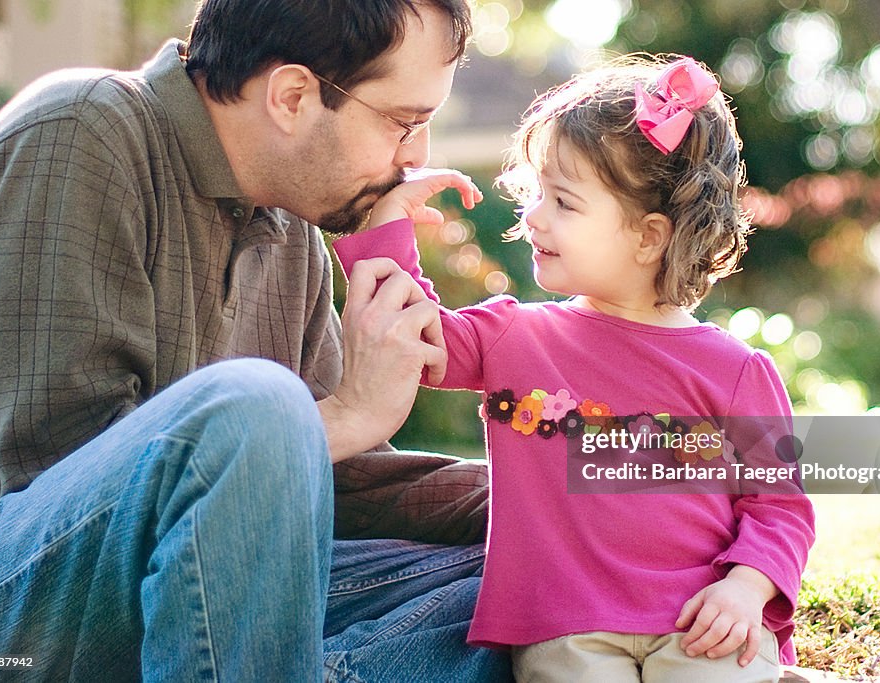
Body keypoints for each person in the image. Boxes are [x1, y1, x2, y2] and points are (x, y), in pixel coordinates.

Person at [0, 0, 513, 680]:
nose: (418, 156)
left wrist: (556, 491)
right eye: (404, 122)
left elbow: (332, 481)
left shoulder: (292, 231)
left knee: (520, 577)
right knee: (256, 405)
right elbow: (65, 475)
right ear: (293, 96)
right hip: (1, 618)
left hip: (198, 592)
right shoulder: (80, 130)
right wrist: (343, 414)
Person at [333, 55, 816, 682]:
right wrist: (387, 225)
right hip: (567, 626)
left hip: (703, 619)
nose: (533, 215)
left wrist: (746, 591)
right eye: (536, 193)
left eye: (562, 200)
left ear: (649, 237)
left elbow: (779, 506)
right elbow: (415, 335)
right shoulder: (514, 335)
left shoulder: (735, 371)